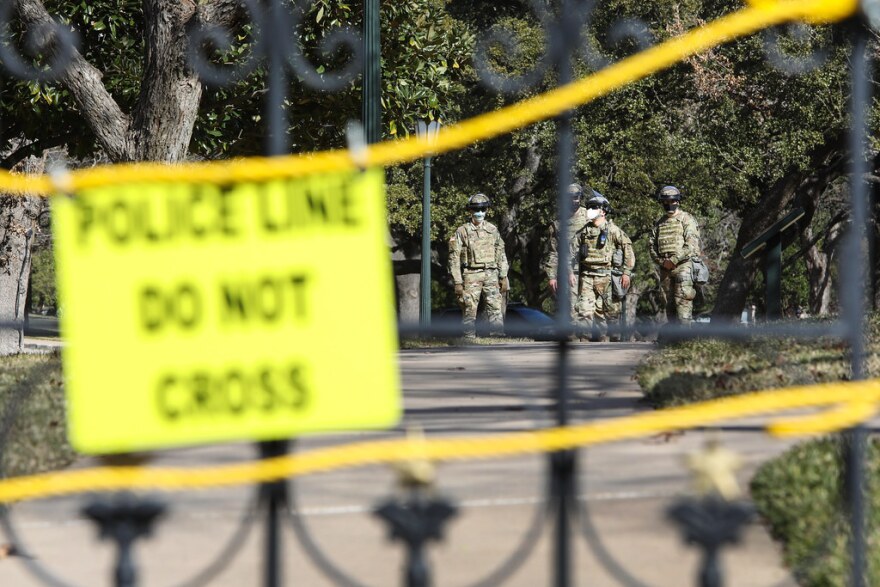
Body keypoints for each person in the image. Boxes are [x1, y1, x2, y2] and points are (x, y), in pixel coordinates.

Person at [572, 191, 634, 341]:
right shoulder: (583, 232)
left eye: (594, 207)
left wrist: (626, 272)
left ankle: (607, 341)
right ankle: (584, 339)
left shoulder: (613, 230)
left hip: (607, 277)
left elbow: (628, 251)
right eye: (589, 207)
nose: (589, 211)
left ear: (603, 211)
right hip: (587, 276)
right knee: (584, 311)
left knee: (608, 313)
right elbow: (570, 253)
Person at [448, 193, 509, 338]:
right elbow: (454, 258)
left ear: (487, 210)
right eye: (476, 210)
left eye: (483, 209)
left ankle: (497, 335)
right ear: (470, 211)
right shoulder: (462, 231)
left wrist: (504, 275)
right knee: (469, 307)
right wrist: (457, 281)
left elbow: (500, 253)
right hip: (471, 273)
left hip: (491, 273)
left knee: (495, 306)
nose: (479, 213)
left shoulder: (493, 230)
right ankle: (469, 337)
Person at [649, 185, 702, 325]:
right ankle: (673, 341)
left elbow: (691, 244)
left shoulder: (686, 219)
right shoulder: (659, 223)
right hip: (665, 268)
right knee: (668, 304)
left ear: (677, 201)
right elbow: (651, 246)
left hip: (683, 266)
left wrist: (674, 259)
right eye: (665, 202)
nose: (669, 204)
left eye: (672, 201)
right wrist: (662, 262)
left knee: (683, 303)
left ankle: (686, 341)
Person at [542, 183, 589, 321]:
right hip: (569, 271)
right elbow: (553, 252)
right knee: (571, 308)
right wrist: (551, 276)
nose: (573, 201)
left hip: (591, 269)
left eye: (576, 197)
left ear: (580, 197)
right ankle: (574, 337)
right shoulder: (558, 223)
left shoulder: (590, 217)